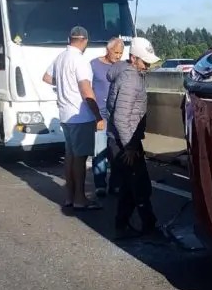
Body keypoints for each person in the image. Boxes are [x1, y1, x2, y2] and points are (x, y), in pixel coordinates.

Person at [43, 26, 105, 211]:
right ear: (85, 40)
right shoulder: (80, 60)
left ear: (69, 38)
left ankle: (69, 196)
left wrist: (63, 83)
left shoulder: (61, 57)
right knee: (79, 159)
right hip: (80, 116)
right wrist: (97, 115)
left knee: (70, 157)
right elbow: (86, 90)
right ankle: (80, 197)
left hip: (64, 114)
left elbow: (46, 78)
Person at [106, 37, 161, 239]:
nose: (147, 66)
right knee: (140, 185)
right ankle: (149, 226)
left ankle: (122, 226)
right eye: (145, 62)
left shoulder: (129, 73)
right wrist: (130, 147)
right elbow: (121, 116)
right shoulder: (131, 80)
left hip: (123, 139)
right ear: (133, 58)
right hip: (124, 142)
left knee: (130, 188)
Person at [90, 37, 125, 197]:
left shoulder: (122, 67)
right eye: (116, 52)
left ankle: (116, 184)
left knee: (115, 152)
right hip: (100, 115)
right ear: (107, 50)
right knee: (100, 151)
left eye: (121, 53)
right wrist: (96, 116)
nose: (118, 56)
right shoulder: (93, 65)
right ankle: (100, 184)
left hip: (116, 115)